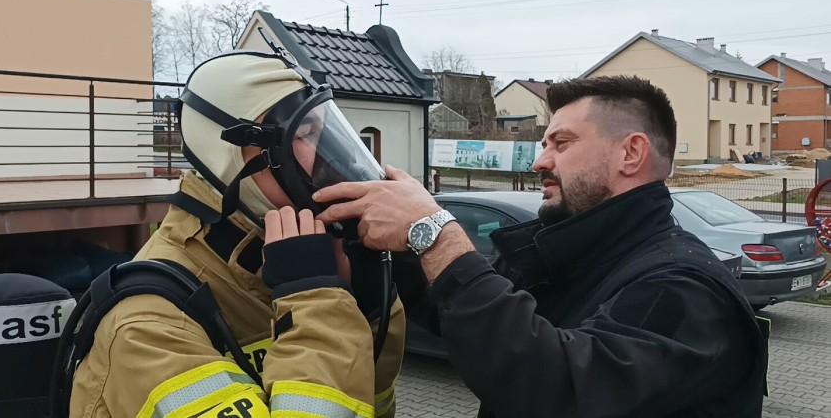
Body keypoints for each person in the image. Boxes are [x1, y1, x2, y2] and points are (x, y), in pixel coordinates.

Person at [314, 75, 769, 417]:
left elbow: (559, 390)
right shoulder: (574, 255)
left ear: (631, 153)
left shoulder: (682, 286)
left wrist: (435, 231)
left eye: (561, 143)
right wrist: (396, 247)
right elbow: (464, 323)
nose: (540, 160)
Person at [70, 52, 405, 418]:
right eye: (305, 134)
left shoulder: (288, 265)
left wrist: (371, 306)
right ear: (228, 160)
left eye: (326, 133)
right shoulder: (149, 326)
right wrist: (318, 304)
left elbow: (367, 405)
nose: (329, 161)